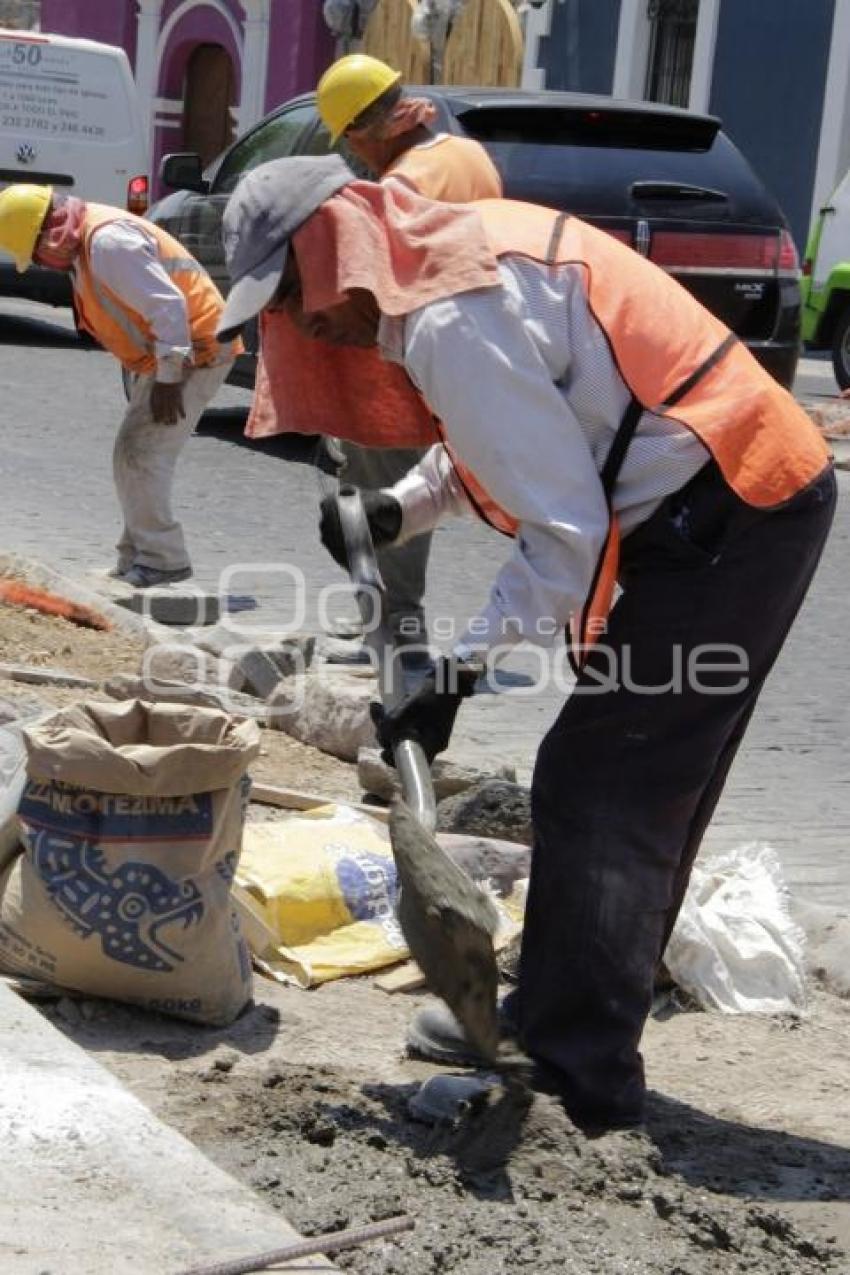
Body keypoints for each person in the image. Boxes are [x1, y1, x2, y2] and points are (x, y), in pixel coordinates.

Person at [216, 155, 835, 1135]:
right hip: (717, 501)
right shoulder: (442, 277)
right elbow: (502, 445)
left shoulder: (453, 313)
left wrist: (455, 676)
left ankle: (574, 1066)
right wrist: (393, 511)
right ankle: (557, 1019)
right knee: (626, 778)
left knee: (603, 780)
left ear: (336, 246)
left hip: (737, 505)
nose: (300, 322)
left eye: (292, 291)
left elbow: (564, 530)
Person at [263, 54, 503, 661]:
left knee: (385, 490)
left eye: (351, 142)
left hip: (403, 356)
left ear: (367, 131)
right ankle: (390, 626)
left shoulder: (403, 185)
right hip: (464, 344)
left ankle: (395, 633)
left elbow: (374, 280)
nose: (355, 156)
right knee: (402, 481)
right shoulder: (465, 154)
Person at [0, 184, 239, 587]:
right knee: (133, 454)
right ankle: (135, 558)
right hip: (172, 353)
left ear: (50, 233)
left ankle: (163, 560)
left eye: (37, 253)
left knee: (142, 454)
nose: (42, 263)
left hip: (194, 352)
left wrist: (168, 378)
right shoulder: (88, 239)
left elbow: (167, 305)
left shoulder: (109, 243)